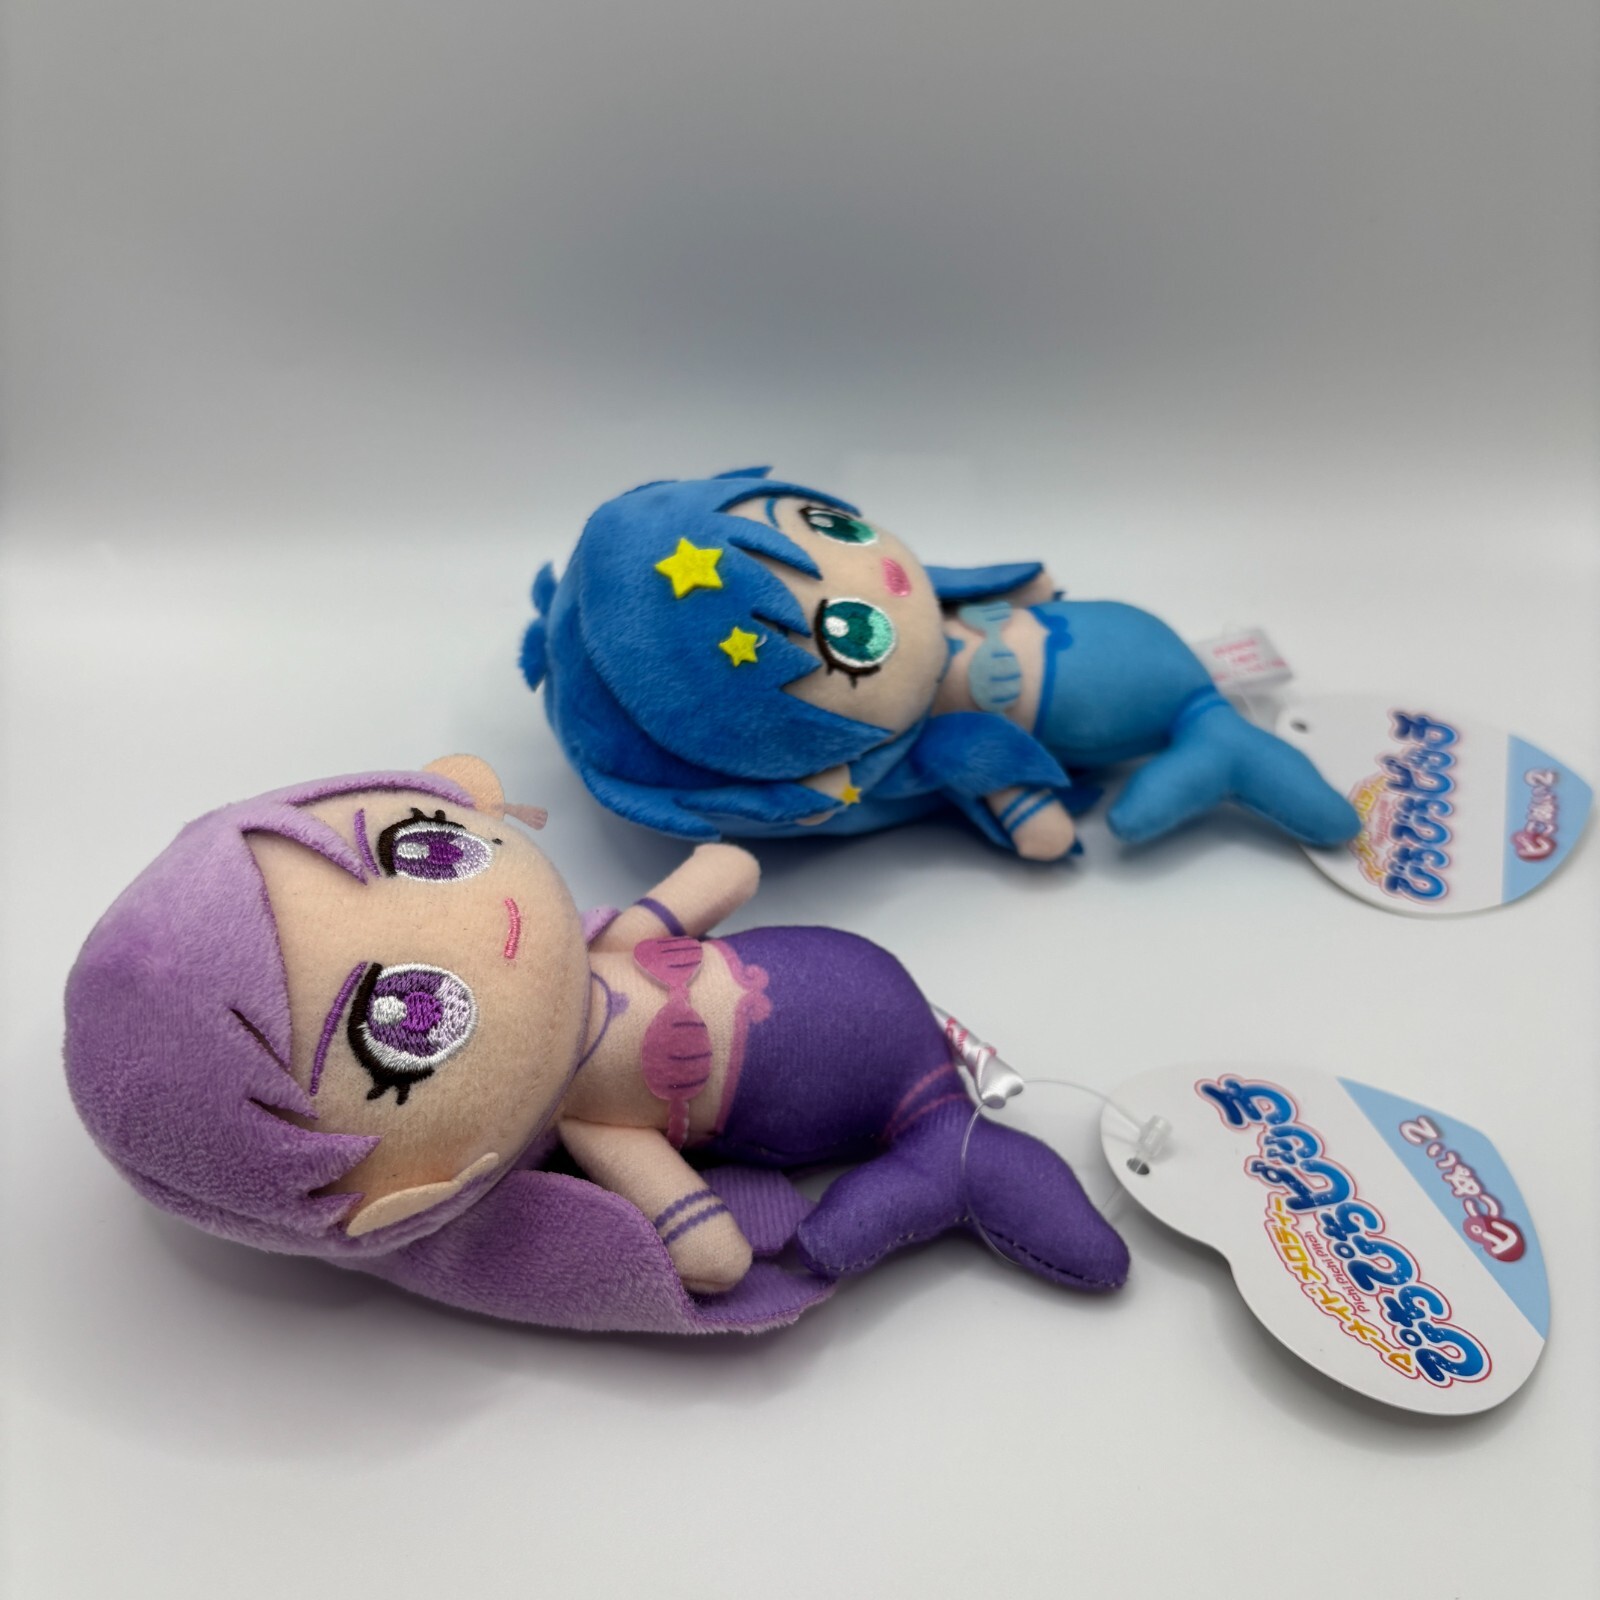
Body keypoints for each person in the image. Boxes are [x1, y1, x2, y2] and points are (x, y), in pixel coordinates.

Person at [65, 755, 1127, 1335]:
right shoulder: (592, 1114)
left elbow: (719, 873)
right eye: (411, 1017)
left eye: (425, 851)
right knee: (921, 1153)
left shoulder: (606, 942)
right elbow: (703, 1247)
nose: (488, 926)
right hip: (860, 1091)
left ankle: (942, 1149)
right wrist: (699, 1233)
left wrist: (688, 891)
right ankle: (943, 1166)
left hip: (875, 998)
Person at [522, 467, 1360, 859]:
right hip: (1162, 707)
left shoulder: (935, 596)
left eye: (836, 528)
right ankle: (1220, 753)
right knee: (1172, 772)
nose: (886, 578)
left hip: (1147, 653)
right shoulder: (929, 744)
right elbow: (982, 771)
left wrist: (1019, 589)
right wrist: (1025, 808)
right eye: (853, 634)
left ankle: (1219, 744)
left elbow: (991, 583)